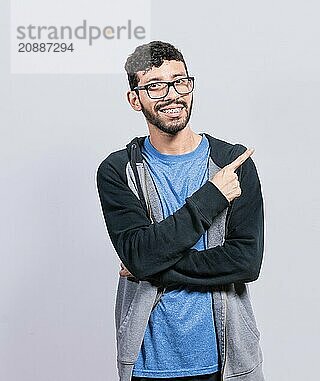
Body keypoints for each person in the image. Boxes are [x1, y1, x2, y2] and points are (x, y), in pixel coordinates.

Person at [96, 41, 265, 381]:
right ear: (135, 99)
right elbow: (141, 255)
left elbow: (245, 262)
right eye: (155, 85)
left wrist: (151, 268)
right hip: (149, 364)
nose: (172, 95)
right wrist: (212, 197)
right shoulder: (118, 171)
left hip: (228, 360)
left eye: (180, 81)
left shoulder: (234, 163)